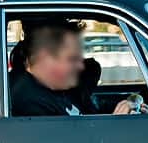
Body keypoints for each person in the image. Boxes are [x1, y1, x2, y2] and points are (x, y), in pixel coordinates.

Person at [8, 21, 137, 116]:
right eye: (71, 59)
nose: (81, 66)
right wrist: (115, 124)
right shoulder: (30, 104)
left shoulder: (57, 88)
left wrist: (132, 104)